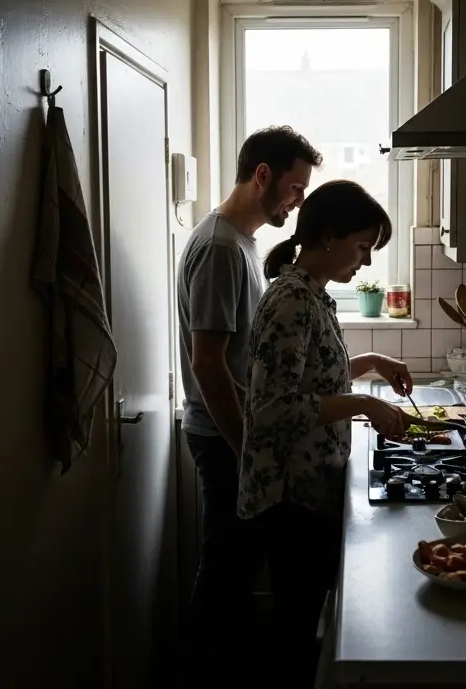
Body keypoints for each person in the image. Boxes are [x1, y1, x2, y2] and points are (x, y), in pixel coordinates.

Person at [238, 179, 418, 686]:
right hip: (290, 497)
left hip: (309, 491)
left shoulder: (312, 295)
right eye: (362, 246)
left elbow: (314, 375)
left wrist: (372, 363)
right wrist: (362, 404)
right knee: (295, 629)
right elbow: (273, 408)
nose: (363, 261)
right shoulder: (291, 301)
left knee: (303, 621)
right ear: (329, 237)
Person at [175, 125, 319, 685]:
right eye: (295, 186)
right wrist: (245, 451)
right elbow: (207, 363)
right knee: (224, 581)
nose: (298, 199)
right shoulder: (217, 248)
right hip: (222, 437)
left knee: (233, 576)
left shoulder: (241, 242)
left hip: (234, 435)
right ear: (263, 176)